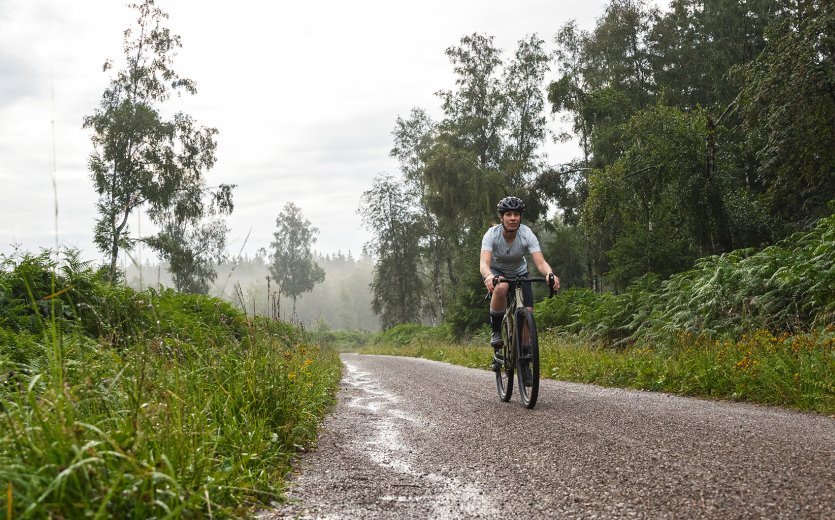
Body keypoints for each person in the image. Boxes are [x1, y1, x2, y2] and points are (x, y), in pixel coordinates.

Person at [479, 196, 560, 358]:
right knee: (502, 286)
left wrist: (550, 274)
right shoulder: (491, 235)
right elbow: (484, 264)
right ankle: (496, 332)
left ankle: (525, 356)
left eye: (516, 214)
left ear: (520, 217)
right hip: (497, 271)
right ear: (501, 217)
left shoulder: (526, 234)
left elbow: (541, 263)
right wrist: (489, 276)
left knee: (527, 311)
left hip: (520, 272)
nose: (513, 218)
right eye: (508, 214)